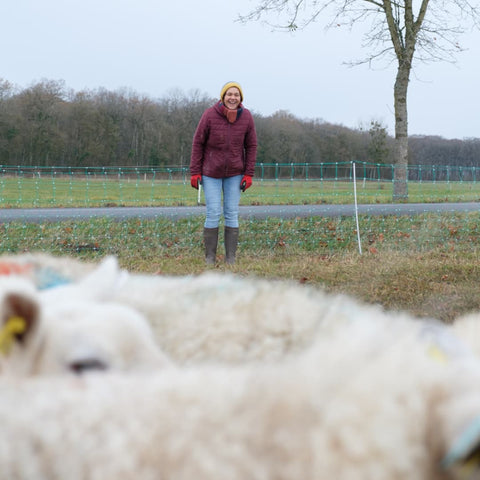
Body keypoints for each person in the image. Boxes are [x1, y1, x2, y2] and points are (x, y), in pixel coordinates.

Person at [190, 81, 257, 265]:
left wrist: (248, 173)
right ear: (223, 96)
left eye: (236, 94)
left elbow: (251, 146)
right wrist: (195, 171)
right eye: (229, 94)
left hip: (235, 173)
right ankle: (210, 258)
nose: (233, 97)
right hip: (211, 172)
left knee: (231, 213)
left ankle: (230, 258)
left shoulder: (247, 117)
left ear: (240, 98)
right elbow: (198, 143)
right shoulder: (210, 115)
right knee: (212, 212)